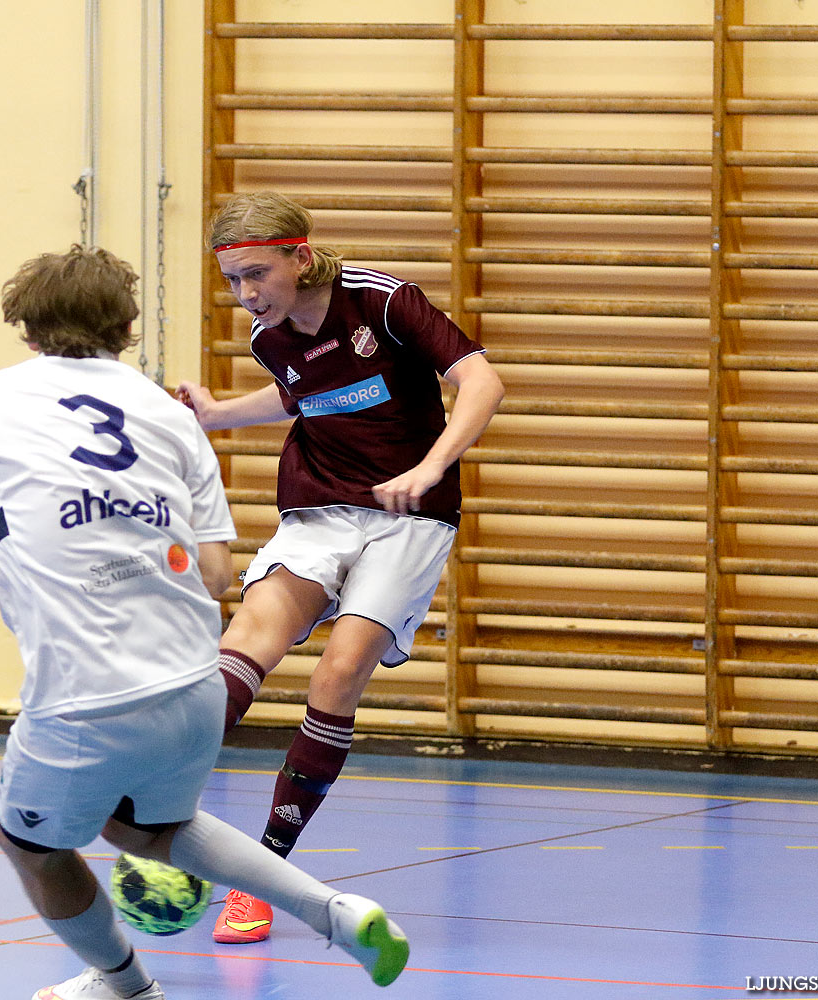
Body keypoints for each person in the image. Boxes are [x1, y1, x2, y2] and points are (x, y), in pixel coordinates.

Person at [0, 245, 409, 1000]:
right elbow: (218, 573)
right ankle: (336, 911)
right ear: (126, 326)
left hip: (83, 695)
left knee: (27, 843)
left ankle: (127, 986)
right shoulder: (169, 415)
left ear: (26, 330)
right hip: (194, 686)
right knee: (144, 830)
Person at [175, 191, 505, 944]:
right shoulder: (270, 335)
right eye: (233, 282)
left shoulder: (382, 301)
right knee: (244, 645)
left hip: (407, 517)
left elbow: (482, 382)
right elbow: (302, 397)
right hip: (319, 507)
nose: (247, 294)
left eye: (257, 274)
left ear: (298, 255)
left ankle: (265, 873)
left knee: (337, 673)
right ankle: (159, 817)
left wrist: (428, 467)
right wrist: (219, 412)